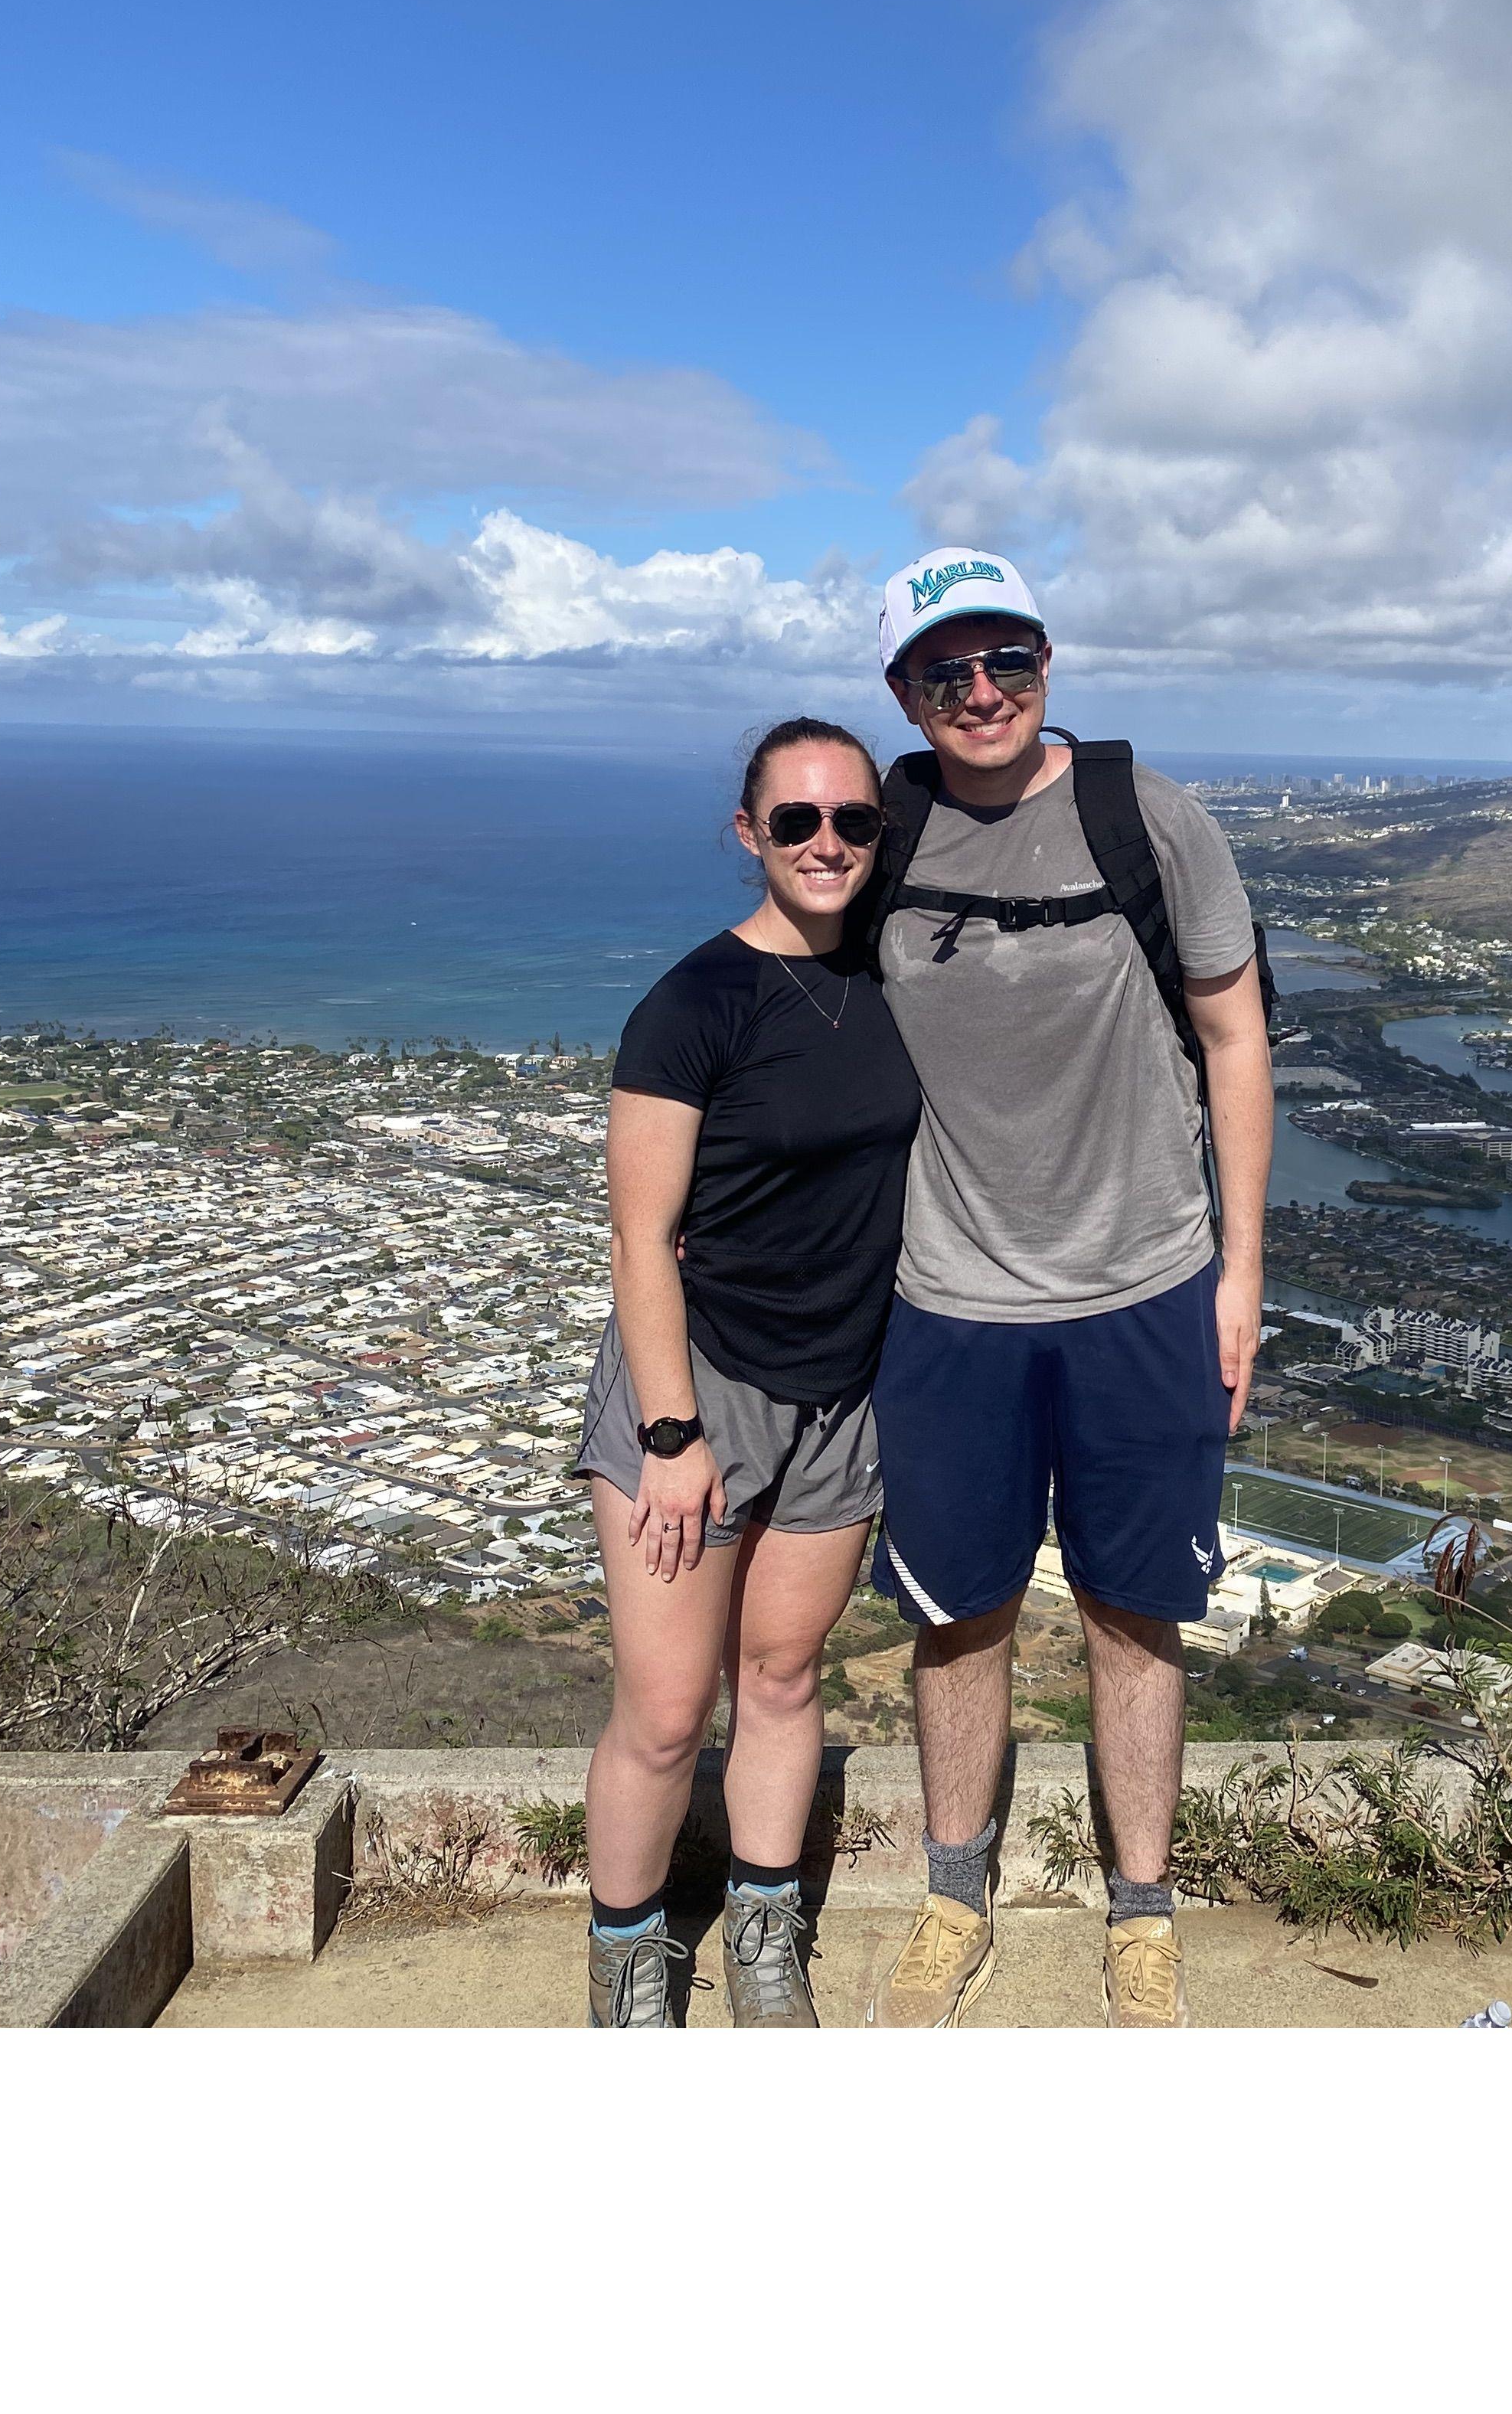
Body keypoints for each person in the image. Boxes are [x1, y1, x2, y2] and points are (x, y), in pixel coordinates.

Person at [853, 549, 1272, 2029]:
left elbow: (1235, 1041)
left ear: (1048, 663)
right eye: (945, 672)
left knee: (1131, 1607)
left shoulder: (1143, 818)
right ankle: (953, 1894)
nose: (981, 693)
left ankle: (1140, 1913)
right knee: (957, 1614)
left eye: (1007, 660)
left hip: (1143, 1283)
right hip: (951, 1297)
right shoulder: (878, 831)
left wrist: (1241, 1272)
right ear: (903, 693)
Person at [576, 717, 919, 2029]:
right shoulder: (693, 1006)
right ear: (749, 835)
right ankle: (626, 1961)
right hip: (699, 1386)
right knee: (666, 1711)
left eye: (853, 821)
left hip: (843, 1390)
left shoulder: (892, 978)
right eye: (797, 821)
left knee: (782, 1679)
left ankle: (764, 1939)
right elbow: (640, 1233)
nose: (828, 842)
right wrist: (671, 1433)